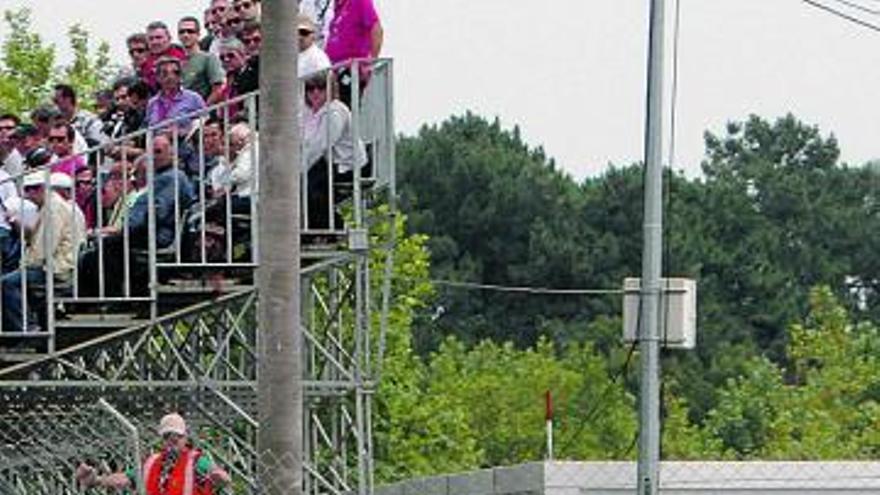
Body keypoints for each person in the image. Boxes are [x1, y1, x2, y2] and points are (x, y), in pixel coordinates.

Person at [1, 171, 80, 333]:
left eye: (34, 189)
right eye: (27, 190)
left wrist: (25, 266)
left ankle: (28, 328)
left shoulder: (53, 208)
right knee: (14, 279)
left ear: (44, 188)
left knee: (8, 283)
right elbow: (37, 239)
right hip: (53, 264)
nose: (30, 194)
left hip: (57, 268)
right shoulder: (49, 207)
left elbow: (45, 247)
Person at [76, 413, 231, 494]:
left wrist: (220, 477)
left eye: (177, 436)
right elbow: (125, 478)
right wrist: (97, 480)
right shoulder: (152, 462)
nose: (172, 440)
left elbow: (220, 476)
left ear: (185, 437)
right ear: (162, 438)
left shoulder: (196, 462)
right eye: (168, 436)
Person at [301, 72, 366, 229]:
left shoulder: (335, 111)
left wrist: (300, 168)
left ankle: (329, 228)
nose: (315, 93)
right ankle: (316, 227)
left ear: (330, 89)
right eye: (310, 88)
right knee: (304, 183)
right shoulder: (309, 113)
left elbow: (321, 144)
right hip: (328, 162)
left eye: (321, 88)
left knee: (309, 185)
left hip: (348, 165)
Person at [324, 0, 383, 107]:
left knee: (347, 109)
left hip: (351, 70)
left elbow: (376, 28)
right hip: (335, 70)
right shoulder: (338, 6)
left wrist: (370, 62)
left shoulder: (360, 2)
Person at [146, 57, 207, 134]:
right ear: (158, 78)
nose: (171, 77)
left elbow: (205, 122)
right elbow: (149, 128)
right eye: (165, 73)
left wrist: (184, 132)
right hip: (157, 143)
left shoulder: (193, 98)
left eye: (176, 73)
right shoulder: (152, 102)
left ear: (180, 76)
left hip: (183, 142)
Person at [178, 16, 226, 105]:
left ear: (198, 34)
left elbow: (218, 89)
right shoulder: (177, 63)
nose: (185, 35)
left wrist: (202, 110)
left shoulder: (208, 58)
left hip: (201, 113)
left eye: (190, 31)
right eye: (181, 32)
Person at [54, 84, 109, 149]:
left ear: (68, 99)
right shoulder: (57, 122)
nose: (54, 104)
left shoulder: (88, 119)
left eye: (56, 101)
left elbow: (99, 143)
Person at [140, 21, 188, 92]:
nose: (154, 42)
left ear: (169, 38)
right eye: (151, 39)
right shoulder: (145, 64)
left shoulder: (182, 57)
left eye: (158, 38)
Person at [296, 14, 331, 78]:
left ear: (313, 35)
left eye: (304, 33)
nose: (300, 37)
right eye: (297, 33)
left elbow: (326, 81)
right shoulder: (290, 55)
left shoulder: (318, 57)